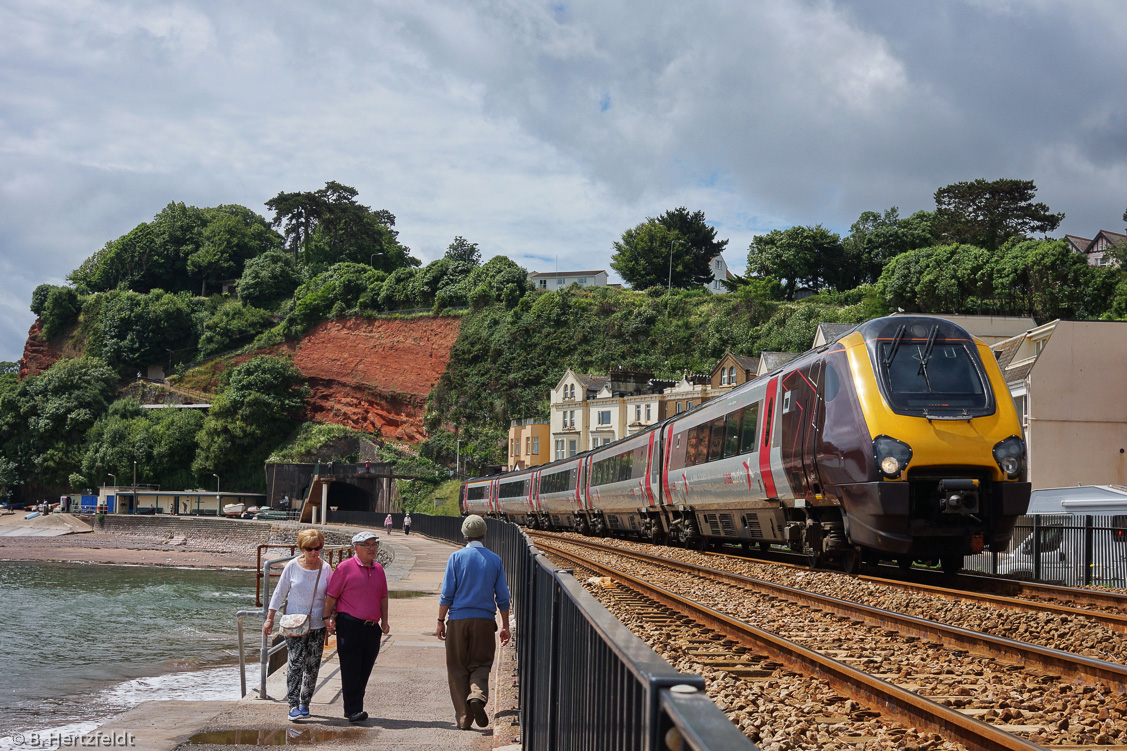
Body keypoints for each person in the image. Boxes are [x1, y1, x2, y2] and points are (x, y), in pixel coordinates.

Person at [435, 515, 511, 730]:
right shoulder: (495, 559)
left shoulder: (456, 558)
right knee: (481, 663)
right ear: (484, 534)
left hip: (458, 620)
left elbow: (447, 594)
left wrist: (441, 620)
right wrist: (504, 626)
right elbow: (503, 598)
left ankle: (464, 718)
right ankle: (477, 695)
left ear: (464, 534)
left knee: (457, 667)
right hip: (485, 621)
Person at [263, 529, 334, 722]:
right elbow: (279, 593)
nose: (314, 552)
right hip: (294, 623)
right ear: (302, 548)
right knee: (295, 662)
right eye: (309, 549)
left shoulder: (326, 568)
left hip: (317, 624)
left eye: (318, 548)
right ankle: (293, 705)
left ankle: (305, 704)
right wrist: (269, 618)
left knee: (312, 665)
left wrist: (331, 617)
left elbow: (332, 595)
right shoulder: (292, 567)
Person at [323, 531, 390, 723]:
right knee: (350, 668)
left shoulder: (379, 569)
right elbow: (331, 596)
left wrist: (384, 621)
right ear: (356, 548)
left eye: (374, 544)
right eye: (367, 544)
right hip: (350, 624)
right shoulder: (344, 568)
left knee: (365, 669)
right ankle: (353, 710)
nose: (372, 548)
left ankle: (354, 706)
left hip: (372, 627)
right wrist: (327, 617)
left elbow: (383, 596)